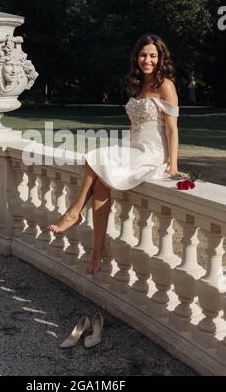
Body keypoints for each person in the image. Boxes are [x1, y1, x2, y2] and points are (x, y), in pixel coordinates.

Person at [46, 34, 187, 275]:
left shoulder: (166, 85)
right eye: (143, 55)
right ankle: (97, 249)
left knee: (95, 157)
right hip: (133, 147)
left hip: (152, 153)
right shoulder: (137, 85)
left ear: (161, 58)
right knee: (100, 184)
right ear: (137, 57)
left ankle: (73, 212)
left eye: (153, 55)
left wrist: (172, 165)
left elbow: (172, 130)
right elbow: (136, 127)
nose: (148, 60)